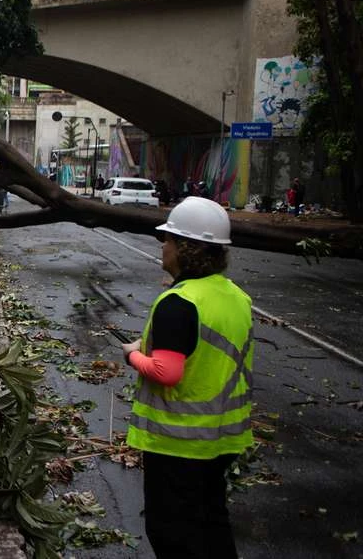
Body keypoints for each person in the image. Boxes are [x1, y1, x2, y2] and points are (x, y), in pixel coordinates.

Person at [120, 196, 254, 559]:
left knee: (172, 534)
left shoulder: (178, 303)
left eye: (168, 240)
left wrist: (133, 355)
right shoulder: (236, 297)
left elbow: (167, 372)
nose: (163, 247)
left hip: (178, 443)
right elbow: (202, 352)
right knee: (211, 524)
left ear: (185, 248)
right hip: (220, 439)